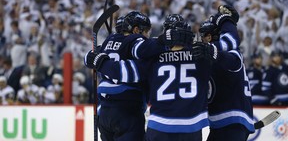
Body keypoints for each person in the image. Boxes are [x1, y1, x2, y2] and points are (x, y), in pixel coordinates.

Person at [86, 18, 245, 141]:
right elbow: (235, 62)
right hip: (192, 128)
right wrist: (226, 23)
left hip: (159, 127)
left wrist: (100, 62)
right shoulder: (202, 54)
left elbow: (124, 73)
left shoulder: (152, 56)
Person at [85, 11, 152, 141]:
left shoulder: (108, 41)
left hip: (104, 111)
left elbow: (90, 57)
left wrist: (91, 59)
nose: (147, 35)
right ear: (136, 29)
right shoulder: (135, 42)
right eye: (146, 31)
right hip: (128, 109)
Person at [199, 5, 255, 141]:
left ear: (215, 35)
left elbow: (231, 55)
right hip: (222, 123)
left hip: (232, 121)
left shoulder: (231, 52)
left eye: (206, 35)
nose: (203, 39)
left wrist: (225, 19)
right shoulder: (209, 56)